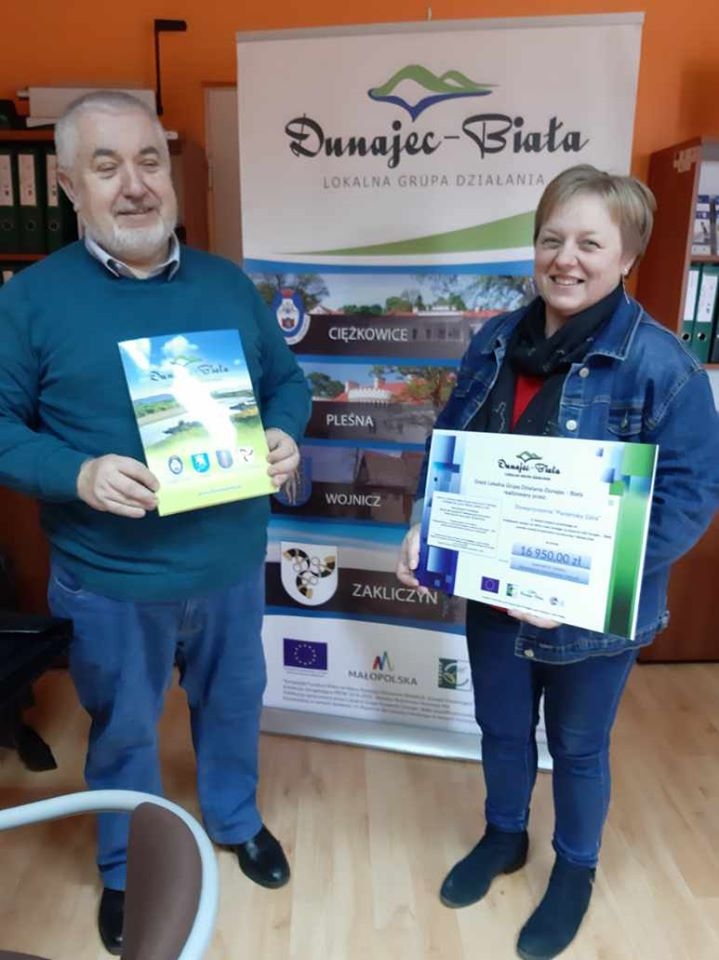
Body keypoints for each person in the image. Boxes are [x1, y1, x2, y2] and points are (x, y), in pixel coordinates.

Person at [0, 91, 311, 954]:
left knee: (232, 705)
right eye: (106, 167)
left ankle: (235, 819)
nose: (134, 185)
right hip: (112, 578)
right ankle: (126, 869)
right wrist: (77, 473)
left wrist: (284, 431)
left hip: (228, 565)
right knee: (125, 730)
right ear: (69, 187)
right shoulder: (30, 300)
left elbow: (286, 383)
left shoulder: (226, 285)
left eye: (148, 161)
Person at [396, 164, 719, 960]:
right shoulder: (495, 339)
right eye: (550, 239)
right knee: (502, 730)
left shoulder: (662, 365)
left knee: (577, 747)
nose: (564, 258)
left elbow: (690, 498)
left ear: (626, 257)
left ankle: (574, 868)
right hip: (492, 591)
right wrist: (424, 520)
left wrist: (579, 583)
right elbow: (451, 443)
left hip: (592, 616)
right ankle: (503, 835)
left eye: (588, 244)